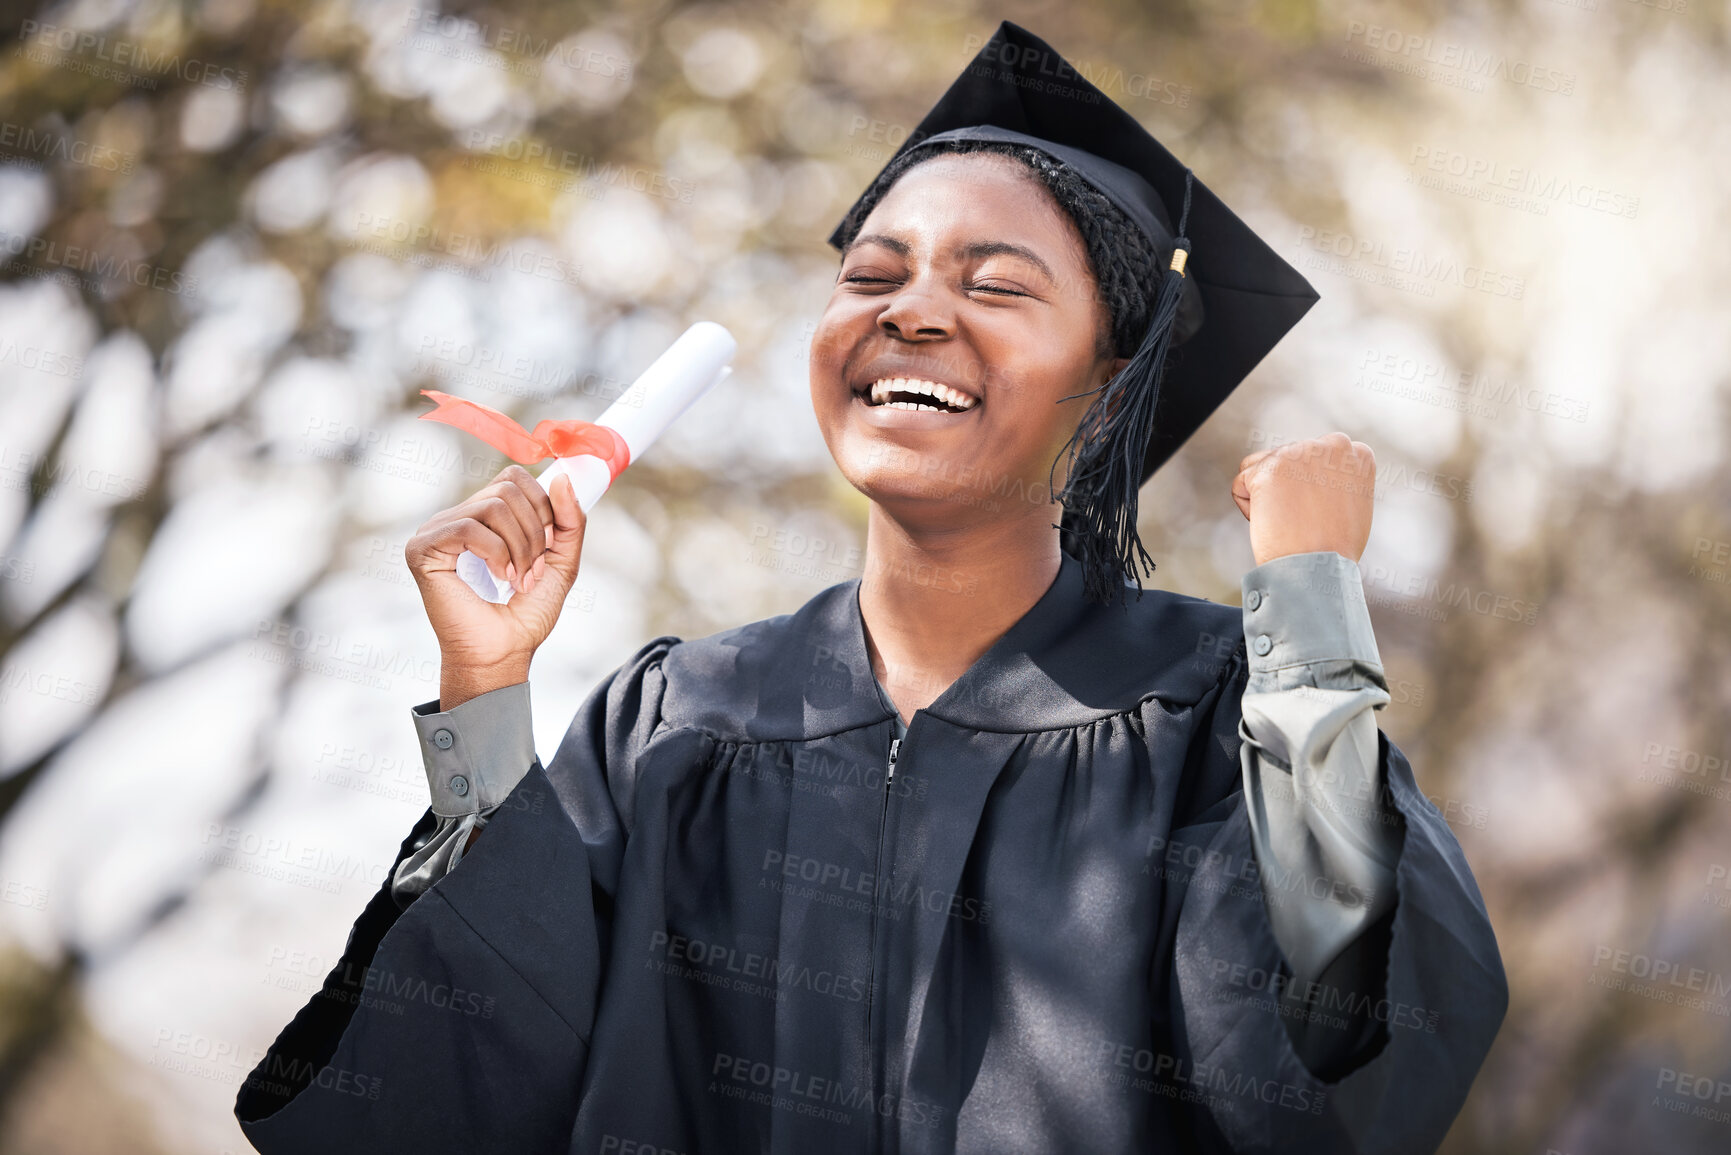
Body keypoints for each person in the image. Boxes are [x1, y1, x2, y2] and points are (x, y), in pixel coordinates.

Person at [236, 21, 1506, 1155]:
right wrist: (485, 692)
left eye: (997, 284)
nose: (914, 311)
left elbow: (1342, 1087)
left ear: (1113, 381)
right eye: (872, 273)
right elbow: (453, 1091)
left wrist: (1310, 612)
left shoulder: (1212, 707)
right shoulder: (674, 720)